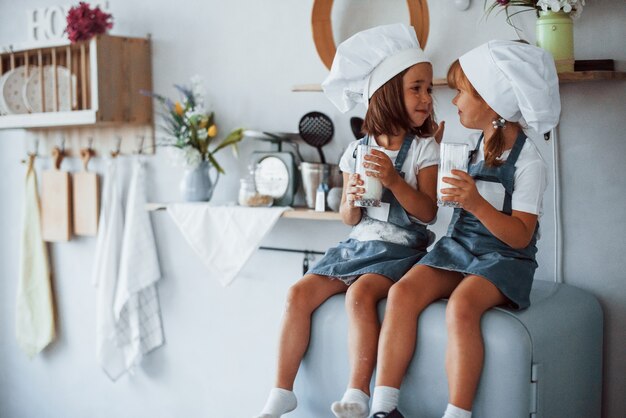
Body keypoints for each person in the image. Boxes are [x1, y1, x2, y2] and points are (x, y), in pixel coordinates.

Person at [255, 23, 442, 418]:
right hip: (357, 245)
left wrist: (393, 180)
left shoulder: (424, 149)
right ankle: (281, 392)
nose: (427, 97)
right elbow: (347, 218)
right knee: (297, 294)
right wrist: (352, 201)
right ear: (388, 93)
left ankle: (357, 391)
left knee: (359, 297)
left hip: (400, 250)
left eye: (429, 89)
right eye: (417, 88)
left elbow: (428, 213)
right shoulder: (356, 151)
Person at [368, 40, 561, 418]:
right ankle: (384, 406)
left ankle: (458, 411)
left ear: (492, 103)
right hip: (459, 247)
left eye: (461, 92)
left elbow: (521, 235)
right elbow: (445, 207)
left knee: (461, 307)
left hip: (503, 258)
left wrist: (475, 203)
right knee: (403, 293)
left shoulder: (529, 162)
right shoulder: (471, 146)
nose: (453, 102)